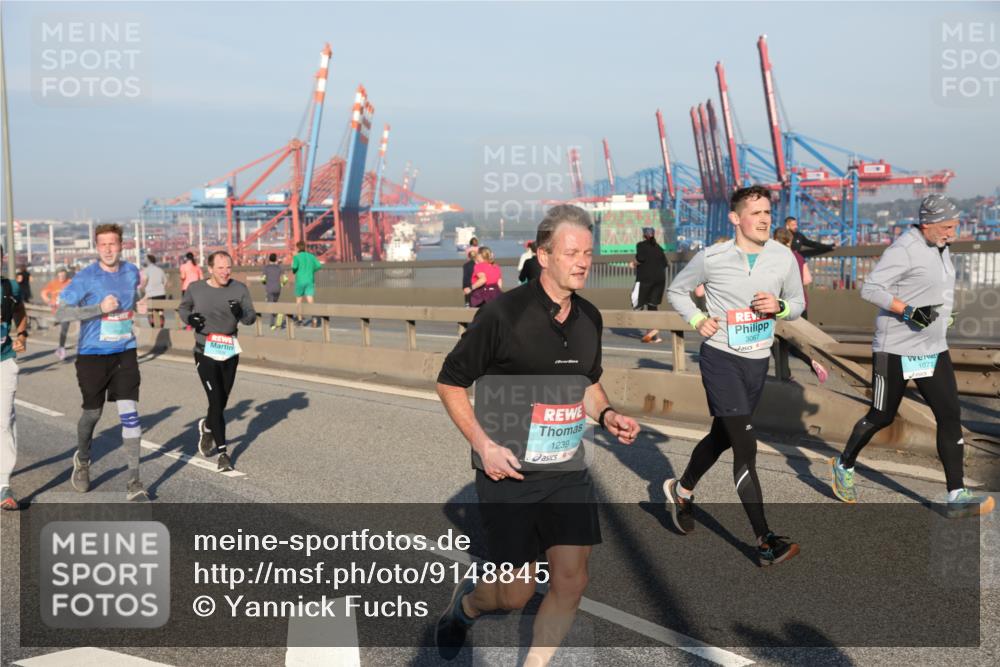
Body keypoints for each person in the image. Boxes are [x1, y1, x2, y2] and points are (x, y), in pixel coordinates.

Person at [435, 204, 639, 663]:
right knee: (513, 594)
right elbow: (449, 382)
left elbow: (587, 380)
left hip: (566, 469)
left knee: (572, 580)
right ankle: (465, 608)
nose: (583, 261)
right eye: (572, 252)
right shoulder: (502, 316)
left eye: (588, 251)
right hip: (511, 472)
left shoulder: (589, 317)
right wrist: (482, 445)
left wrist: (606, 416)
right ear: (543, 256)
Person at [664, 185, 805, 566]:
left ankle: (682, 488)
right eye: (755, 213)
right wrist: (696, 319)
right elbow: (676, 291)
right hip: (721, 358)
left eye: (767, 213)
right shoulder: (712, 257)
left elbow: (798, 304)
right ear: (735, 218)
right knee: (746, 446)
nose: (763, 219)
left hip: (757, 361)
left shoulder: (783, 257)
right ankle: (764, 540)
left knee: (723, 435)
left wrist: (779, 307)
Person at [828, 195, 994, 517]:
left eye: (954, 227)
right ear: (927, 224)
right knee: (882, 416)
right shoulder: (904, 249)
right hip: (896, 350)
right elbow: (870, 288)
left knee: (949, 416)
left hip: (932, 350)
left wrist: (945, 315)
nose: (952, 233)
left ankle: (956, 494)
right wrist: (908, 312)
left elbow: (931, 289)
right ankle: (844, 464)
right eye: (947, 227)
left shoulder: (941, 247)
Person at [56, 224, 150, 501]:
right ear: (96, 247)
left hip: (125, 351)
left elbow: (134, 294)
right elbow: (62, 313)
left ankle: (134, 482)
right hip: (92, 355)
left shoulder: (131, 271)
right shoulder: (86, 277)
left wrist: (141, 295)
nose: (109, 249)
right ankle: (83, 459)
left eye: (113, 243)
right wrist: (98, 309)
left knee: (130, 414)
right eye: (103, 244)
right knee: (92, 414)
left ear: (122, 245)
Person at [179, 251, 257, 472]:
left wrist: (240, 312)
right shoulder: (196, 289)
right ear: (210, 269)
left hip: (229, 351)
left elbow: (250, 318)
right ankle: (223, 454)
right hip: (205, 351)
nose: (225, 271)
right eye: (220, 267)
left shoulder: (239, 289)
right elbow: (183, 309)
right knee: (215, 400)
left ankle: (207, 426)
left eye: (228, 267)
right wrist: (190, 319)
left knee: (221, 400)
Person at [772, 228, 828, 384]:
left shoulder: (776, 257)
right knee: (798, 339)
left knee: (778, 342)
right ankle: (812, 360)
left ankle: (786, 374)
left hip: (782, 305)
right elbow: (808, 279)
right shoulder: (797, 256)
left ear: (774, 239)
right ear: (790, 241)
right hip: (800, 303)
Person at [1, 248, 28, 510]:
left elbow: (20, 311)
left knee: (2, 421)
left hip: (4, 360)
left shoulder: (10, 287)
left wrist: (22, 336)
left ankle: (3, 485)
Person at [630, 226, 667, 344]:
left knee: (637, 302)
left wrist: (633, 264)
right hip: (660, 280)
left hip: (645, 279)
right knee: (652, 305)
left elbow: (640, 258)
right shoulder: (659, 248)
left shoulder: (641, 245)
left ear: (643, 235)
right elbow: (665, 263)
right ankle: (653, 334)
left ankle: (649, 329)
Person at [40, 268, 72, 360]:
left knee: (65, 328)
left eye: (63, 275)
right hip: (57, 309)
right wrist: (49, 301)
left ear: (66, 275)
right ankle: (61, 348)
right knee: (64, 324)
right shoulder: (53, 283)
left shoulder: (70, 282)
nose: (61, 277)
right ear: (57, 275)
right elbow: (43, 293)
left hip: (67, 309)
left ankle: (61, 348)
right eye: (60, 275)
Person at [291, 241, 322, 327]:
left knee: (299, 301)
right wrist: (312, 271)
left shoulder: (296, 257)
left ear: (297, 248)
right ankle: (314, 319)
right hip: (310, 280)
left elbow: (294, 268)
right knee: (310, 300)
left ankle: (300, 320)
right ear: (304, 247)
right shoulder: (311, 256)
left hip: (300, 280)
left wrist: (293, 260)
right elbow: (319, 266)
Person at [261, 253, 288, 330]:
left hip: (269, 288)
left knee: (271, 306)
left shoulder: (266, 267)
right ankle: (278, 315)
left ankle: (272, 325)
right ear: (276, 259)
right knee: (275, 304)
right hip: (277, 288)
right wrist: (282, 284)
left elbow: (263, 279)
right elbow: (286, 279)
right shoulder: (279, 267)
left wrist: (264, 283)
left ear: (269, 259)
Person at [140, 254, 169, 328]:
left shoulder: (146, 270)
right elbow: (165, 282)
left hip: (151, 294)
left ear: (148, 261)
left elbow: (144, 281)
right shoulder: (160, 270)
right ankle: (161, 325)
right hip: (161, 294)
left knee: (150, 312)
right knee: (160, 312)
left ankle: (153, 326)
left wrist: (142, 288)